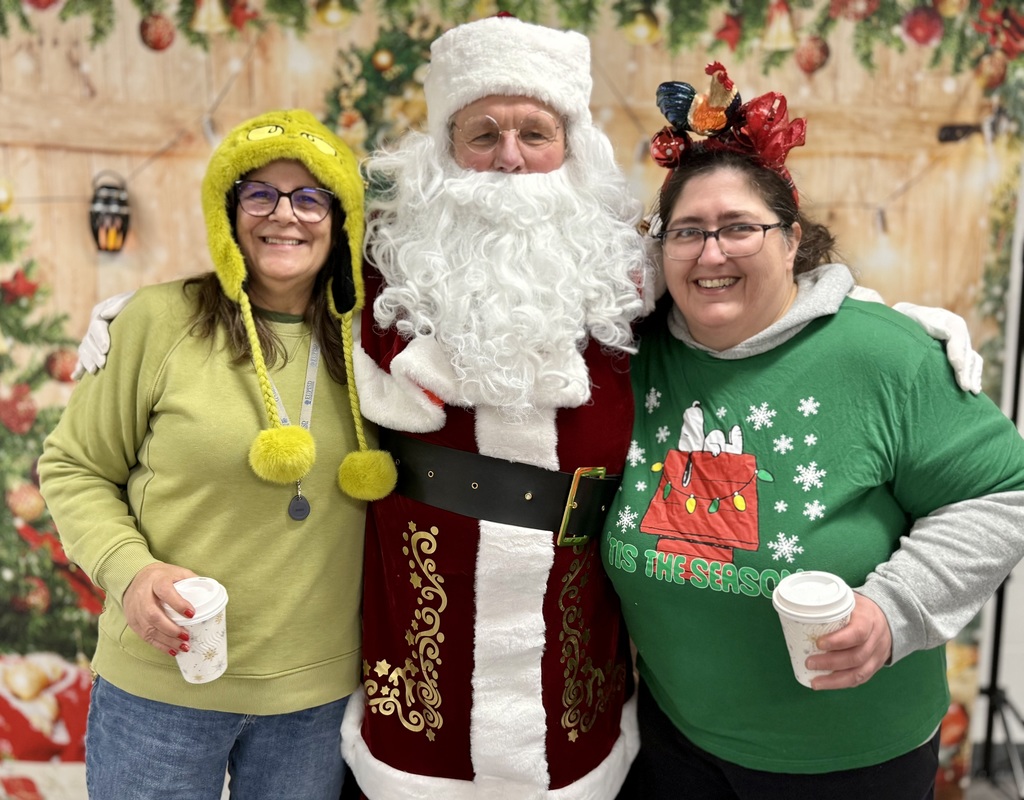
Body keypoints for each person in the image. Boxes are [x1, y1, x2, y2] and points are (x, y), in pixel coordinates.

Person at [69, 24, 984, 800]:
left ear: (572, 147)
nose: (509, 157)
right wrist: (136, 312)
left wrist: (873, 317)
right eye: (483, 132)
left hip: (573, 662)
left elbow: (744, 297)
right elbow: (271, 269)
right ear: (445, 149)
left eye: (534, 133)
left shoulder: (629, 275)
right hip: (412, 663)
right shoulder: (382, 266)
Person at [603, 67, 1024, 800]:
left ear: (793, 240)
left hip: (854, 763)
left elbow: (1003, 492)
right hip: (674, 745)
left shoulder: (884, 355)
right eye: (687, 232)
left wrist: (894, 610)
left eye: (739, 228)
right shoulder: (630, 359)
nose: (710, 253)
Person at [38, 109, 394, 800]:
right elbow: (74, 467)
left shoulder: (376, 345)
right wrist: (128, 572)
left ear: (341, 216)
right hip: (162, 689)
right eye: (259, 193)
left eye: (310, 197)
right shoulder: (155, 322)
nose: (284, 215)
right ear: (227, 212)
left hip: (315, 703)